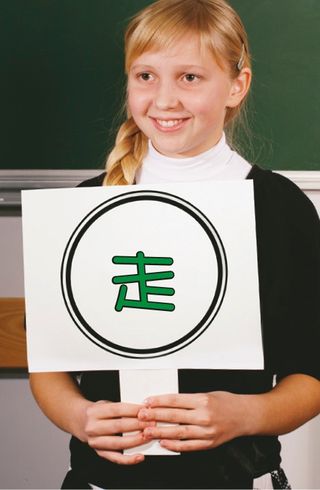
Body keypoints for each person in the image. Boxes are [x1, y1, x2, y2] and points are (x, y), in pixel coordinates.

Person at [29, 0, 320, 488]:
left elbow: (311, 376)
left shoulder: (279, 209)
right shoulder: (87, 207)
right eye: (145, 76)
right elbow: (49, 367)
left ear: (236, 86)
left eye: (189, 77)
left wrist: (245, 414)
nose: (164, 100)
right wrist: (79, 417)